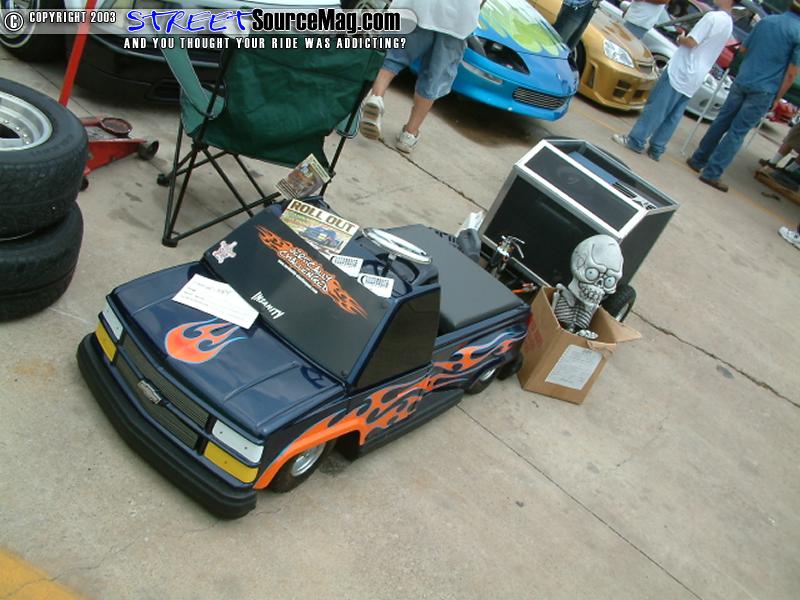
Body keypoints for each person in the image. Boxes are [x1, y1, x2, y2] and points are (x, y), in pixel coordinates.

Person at [686, 2, 800, 192]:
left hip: (744, 78)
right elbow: (791, 73)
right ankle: (712, 173)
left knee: (722, 121)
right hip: (765, 88)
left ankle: (698, 159)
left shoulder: (767, 21)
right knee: (737, 132)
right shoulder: (797, 33)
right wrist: (778, 98)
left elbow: (743, 50)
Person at [611, 0, 733, 161]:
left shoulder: (712, 17)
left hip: (681, 68)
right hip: (697, 74)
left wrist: (681, 38)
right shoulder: (729, 23)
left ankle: (636, 140)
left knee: (657, 106)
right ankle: (657, 148)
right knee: (674, 114)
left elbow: (692, 42)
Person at [358, 0, 484, 154]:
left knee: (392, 54)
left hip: (418, 6)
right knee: (435, 76)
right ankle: (409, 134)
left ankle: (376, 97)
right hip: (459, 16)